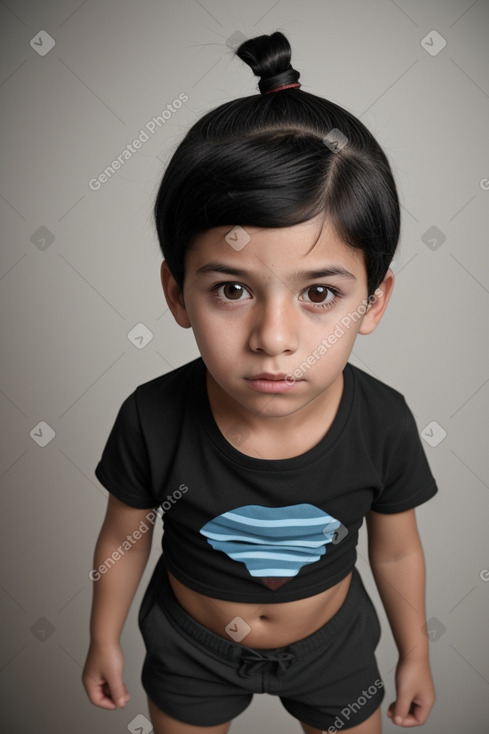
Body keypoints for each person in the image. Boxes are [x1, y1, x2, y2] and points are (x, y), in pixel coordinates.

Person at [82, 30, 438, 734]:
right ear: (178, 293)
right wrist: (102, 635)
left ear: (372, 302)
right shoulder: (153, 416)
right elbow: (125, 535)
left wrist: (414, 652)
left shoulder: (383, 422)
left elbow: (394, 547)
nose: (273, 338)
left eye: (318, 295)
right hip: (191, 648)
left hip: (333, 646)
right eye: (233, 289)